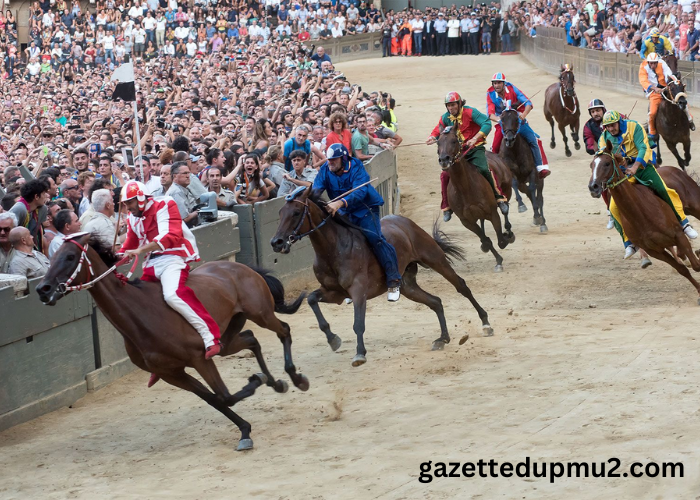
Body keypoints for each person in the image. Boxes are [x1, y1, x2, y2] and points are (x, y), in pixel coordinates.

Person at [119, 180, 222, 377]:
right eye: (125, 204)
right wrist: (113, 255)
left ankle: (211, 336)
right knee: (145, 305)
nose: (127, 207)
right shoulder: (133, 218)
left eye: (129, 202)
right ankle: (162, 356)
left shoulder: (165, 204)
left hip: (172, 258)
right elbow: (128, 247)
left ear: (141, 199)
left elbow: (170, 237)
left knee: (173, 295)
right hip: (150, 265)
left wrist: (141, 249)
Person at [598, 110, 698, 259]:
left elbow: (643, 149)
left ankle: (684, 223)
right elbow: (603, 156)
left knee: (663, 189)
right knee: (613, 208)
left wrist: (634, 167)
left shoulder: (634, 127)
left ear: (619, 122)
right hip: (625, 174)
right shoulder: (604, 137)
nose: (611, 129)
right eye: (608, 127)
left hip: (644, 168)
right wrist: (619, 160)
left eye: (613, 125)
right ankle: (628, 243)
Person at [313, 143, 402, 301]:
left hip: (365, 209)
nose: (330, 162)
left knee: (376, 239)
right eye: (329, 159)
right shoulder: (325, 170)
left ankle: (394, 279)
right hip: (345, 211)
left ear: (343, 158)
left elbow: (360, 192)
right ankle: (346, 286)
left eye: (334, 160)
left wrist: (339, 203)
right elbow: (316, 191)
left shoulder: (356, 166)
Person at [427, 91, 504, 222]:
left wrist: (475, 138)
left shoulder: (470, 112)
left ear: (459, 103)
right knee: (445, 175)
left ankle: (498, 196)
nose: (451, 108)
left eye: (453, 105)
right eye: (449, 106)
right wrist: (432, 137)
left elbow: (486, 123)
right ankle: (446, 206)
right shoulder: (446, 117)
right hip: (459, 152)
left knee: (484, 169)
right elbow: (438, 129)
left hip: (475, 149)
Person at [487, 72, 551, 178]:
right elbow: (490, 114)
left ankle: (540, 167)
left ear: (504, 84)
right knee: (494, 147)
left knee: (533, 140)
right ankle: (496, 171)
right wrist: (499, 119)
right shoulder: (490, 94)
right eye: (494, 83)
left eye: (499, 83)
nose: (496, 85)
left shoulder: (512, 88)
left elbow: (528, 103)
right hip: (503, 123)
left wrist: (524, 114)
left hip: (517, 121)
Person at [639, 52, 695, 145]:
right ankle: (652, 132)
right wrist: (655, 88)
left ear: (657, 61)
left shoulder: (662, 63)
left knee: (680, 99)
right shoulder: (643, 66)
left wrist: (674, 80)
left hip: (665, 88)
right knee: (652, 112)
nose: (653, 65)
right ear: (648, 62)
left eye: (654, 63)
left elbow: (668, 73)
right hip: (653, 92)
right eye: (651, 63)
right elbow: (643, 80)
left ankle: (689, 120)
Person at [584, 99, 616, 230]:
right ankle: (610, 212)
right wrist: (596, 150)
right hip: (603, 155)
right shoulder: (588, 126)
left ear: (603, 110)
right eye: (593, 112)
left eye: (597, 110)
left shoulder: (613, 117)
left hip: (622, 152)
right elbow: (589, 142)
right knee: (600, 179)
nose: (596, 113)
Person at [166, 161, 200, 227]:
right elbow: (185, 218)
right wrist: (197, 212)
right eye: (184, 173)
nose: (188, 176)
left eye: (188, 173)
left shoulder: (181, 189)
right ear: (175, 176)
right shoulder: (176, 192)